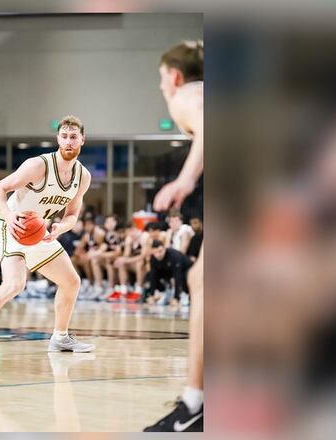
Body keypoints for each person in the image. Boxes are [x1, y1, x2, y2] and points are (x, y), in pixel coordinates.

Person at [0, 115, 95, 357]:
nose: (68, 142)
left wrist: (60, 228)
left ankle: (60, 338)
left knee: (72, 282)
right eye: (64, 137)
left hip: (40, 234)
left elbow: (72, 214)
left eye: (73, 137)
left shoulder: (82, 177)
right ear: (57, 139)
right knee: (14, 284)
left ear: (82, 140)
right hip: (11, 227)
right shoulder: (39, 165)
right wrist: (10, 216)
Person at [146, 40, 204, 432]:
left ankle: (196, 404)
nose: (161, 86)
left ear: (175, 76)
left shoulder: (186, 96)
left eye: (161, 78)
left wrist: (184, 180)